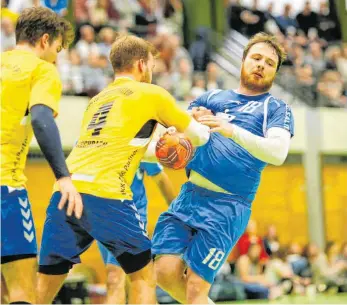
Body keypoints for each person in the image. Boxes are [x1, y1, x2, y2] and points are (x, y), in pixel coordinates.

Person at [36, 34, 210, 304]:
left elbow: (124, 148)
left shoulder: (97, 100)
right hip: (105, 195)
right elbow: (199, 138)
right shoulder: (151, 93)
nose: (152, 70)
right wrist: (198, 123)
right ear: (141, 64)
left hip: (65, 192)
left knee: (44, 286)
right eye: (151, 64)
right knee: (143, 276)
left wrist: (160, 147)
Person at [152, 32, 295, 304]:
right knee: (163, 272)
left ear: (275, 72)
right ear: (243, 61)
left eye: (269, 62)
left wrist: (232, 131)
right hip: (189, 196)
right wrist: (186, 121)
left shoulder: (276, 108)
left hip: (227, 206)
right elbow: (178, 136)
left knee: (196, 287)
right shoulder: (211, 97)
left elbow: (278, 153)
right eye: (256, 58)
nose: (261, 65)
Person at [0, 7, 80, 304]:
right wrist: (63, 176)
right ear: (45, 40)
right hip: (5, 187)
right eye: (57, 49)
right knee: (23, 292)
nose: (56, 58)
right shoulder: (42, 70)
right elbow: (41, 119)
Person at [97, 161, 175, 304]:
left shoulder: (139, 141)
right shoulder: (89, 141)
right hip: (101, 220)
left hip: (130, 218)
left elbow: (161, 179)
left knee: (114, 277)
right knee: (138, 279)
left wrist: (177, 214)